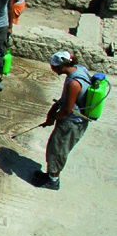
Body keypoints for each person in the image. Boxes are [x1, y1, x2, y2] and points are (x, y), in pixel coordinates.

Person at [33, 51, 95, 190]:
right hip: (72, 120)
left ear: (61, 67)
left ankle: (53, 181)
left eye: (53, 67)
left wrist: (52, 118)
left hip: (71, 123)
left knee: (57, 150)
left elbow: (67, 110)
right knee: (55, 148)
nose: (52, 70)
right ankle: (50, 175)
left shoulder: (73, 83)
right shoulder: (80, 69)